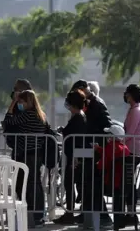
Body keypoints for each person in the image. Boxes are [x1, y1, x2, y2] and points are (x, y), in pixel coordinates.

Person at [69, 80, 112, 226]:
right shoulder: (89, 103)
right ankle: (87, 215)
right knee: (87, 184)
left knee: (93, 184)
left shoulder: (97, 104)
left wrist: (95, 140)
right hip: (88, 148)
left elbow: (106, 125)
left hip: (95, 149)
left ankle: (103, 217)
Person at [2, 90, 47, 227]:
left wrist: (13, 102)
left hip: (26, 154)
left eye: (21, 102)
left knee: (25, 184)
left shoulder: (27, 114)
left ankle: (31, 213)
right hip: (36, 153)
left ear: (28, 102)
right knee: (35, 183)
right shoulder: (41, 115)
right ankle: (38, 215)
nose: (20, 104)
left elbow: (8, 121)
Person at [53, 90, 88, 225]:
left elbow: (77, 139)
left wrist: (75, 159)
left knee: (70, 183)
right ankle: (71, 212)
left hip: (75, 158)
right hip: (74, 156)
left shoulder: (79, 117)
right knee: (71, 184)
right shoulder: (78, 116)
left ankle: (70, 212)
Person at [122, 84, 140, 226]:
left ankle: (131, 214)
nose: (126, 96)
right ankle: (129, 212)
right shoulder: (132, 110)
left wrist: (119, 140)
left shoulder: (136, 111)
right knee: (127, 184)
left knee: (129, 184)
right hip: (129, 150)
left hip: (133, 151)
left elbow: (129, 132)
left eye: (128, 94)